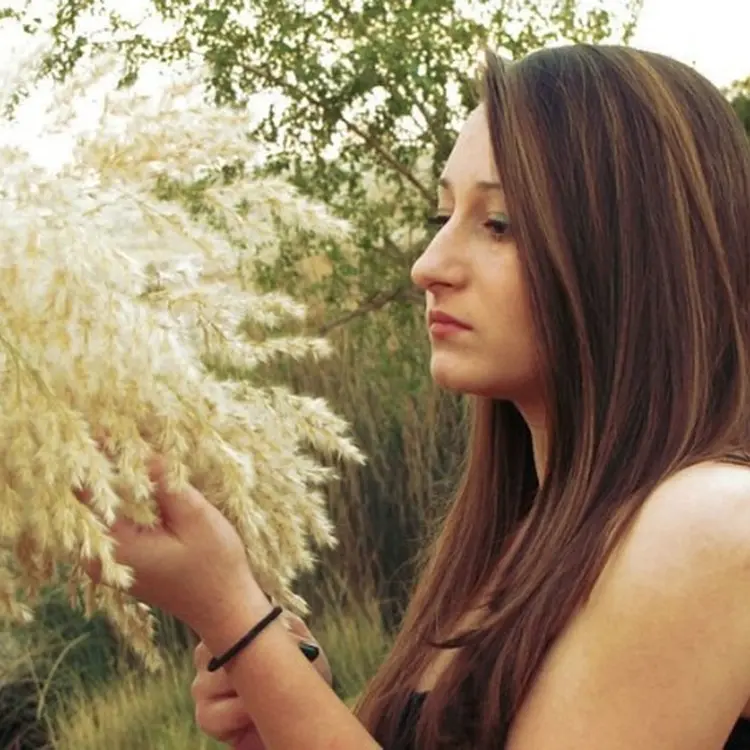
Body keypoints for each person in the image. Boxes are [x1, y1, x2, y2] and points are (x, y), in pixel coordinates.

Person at [89, 43, 750, 749]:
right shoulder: (521, 542)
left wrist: (235, 618)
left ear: (633, 253)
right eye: (443, 218)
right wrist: (280, 703)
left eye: (499, 224)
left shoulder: (711, 521)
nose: (428, 266)